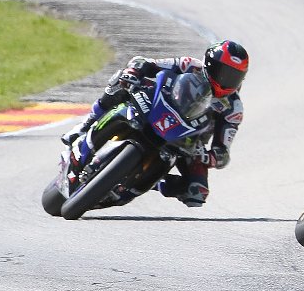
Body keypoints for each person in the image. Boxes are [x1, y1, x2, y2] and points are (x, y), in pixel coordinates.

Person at [61, 40, 249, 207]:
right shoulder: (190, 65)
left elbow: (223, 152)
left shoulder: (233, 108)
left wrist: (208, 157)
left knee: (196, 192)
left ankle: (149, 183)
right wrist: (133, 72)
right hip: (158, 107)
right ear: (210, 64)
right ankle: (86, 125)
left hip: (188, 141)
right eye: (224, 73)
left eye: (235, 76)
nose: (227, 81)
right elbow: (147, 63)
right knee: (120, 83)